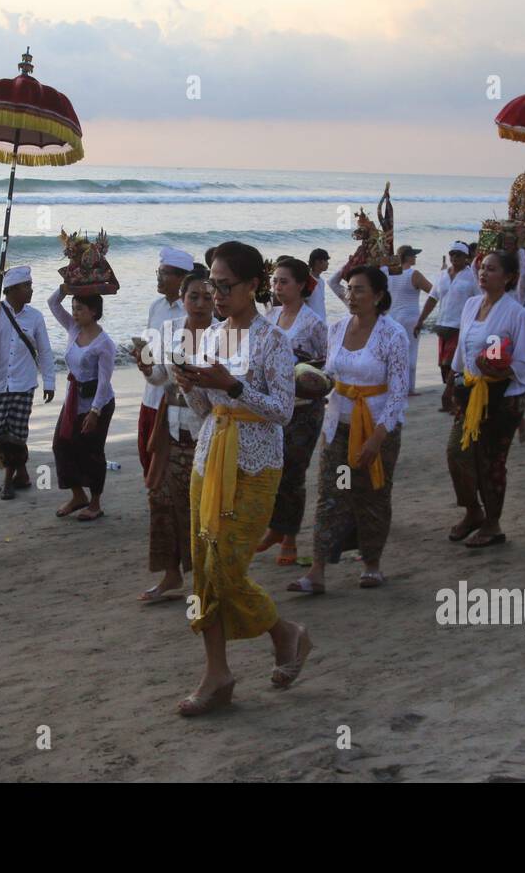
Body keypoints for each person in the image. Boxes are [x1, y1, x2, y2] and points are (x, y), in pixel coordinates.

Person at [172, 240, 311, 716]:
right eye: (212, 284)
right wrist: (189, 385)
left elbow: (283, 412)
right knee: (203, 568)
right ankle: (217, 673)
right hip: (210, 457)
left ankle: (286, 633)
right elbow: (206, 411)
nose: (217, 294)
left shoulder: (274, 340)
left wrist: (232, 385)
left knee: (225, 571)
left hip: (255, 464)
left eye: (225, 285)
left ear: (254, 285)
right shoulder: (212, 336)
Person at [292, 265, 409, 592]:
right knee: (332, 492)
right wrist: (309, 382)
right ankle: (317, 571)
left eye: (359, 289)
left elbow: (399, 391)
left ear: (379, 296)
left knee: (372, 494)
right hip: (337, 425)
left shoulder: (392, 334)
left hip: (376, 427)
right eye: (348, 289)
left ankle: (371, 564)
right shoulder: (337, 328)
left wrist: (377, 437)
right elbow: (331, 375)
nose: (350, 295)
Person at [445, 252, 525, 548]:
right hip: (470, 393)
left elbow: (524, 360)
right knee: (457, 453)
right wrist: (452, 381)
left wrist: (499, 369)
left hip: (503, 397)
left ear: (508, 277)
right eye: (481, 268)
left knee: (490, 461)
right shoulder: (472, 305)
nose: (483, 273)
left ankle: (493, 524)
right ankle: (473, 511)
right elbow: (462, 348)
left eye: (492, 269)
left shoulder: (516, 313)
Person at [140, 272, 215, 602]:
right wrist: (145, 369)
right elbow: (160, 378)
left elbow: (229, 387)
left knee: (203, 507)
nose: (199, 303)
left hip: (207, 429)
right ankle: (172, 575)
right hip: (171, 426)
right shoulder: (170, 330)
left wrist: (196, 384)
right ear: (182, 299)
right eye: (193, 296)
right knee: (162, 501)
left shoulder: (222, 335)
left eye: (207, 297)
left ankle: (205, 576)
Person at [255, 257, 329, 566]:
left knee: (294, 473)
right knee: (273, 470)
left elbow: (329, 364)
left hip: (304, 409)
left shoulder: (313, 322)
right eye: (274, 282)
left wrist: (305, 374)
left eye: (284, 281)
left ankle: (289, 538)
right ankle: (276, 527)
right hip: (274, 407)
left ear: (301, 285)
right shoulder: (270, 315)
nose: (277, 287)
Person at [0, 265, 55, 501]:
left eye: (30, 285)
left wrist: (49, 381)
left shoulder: (35, 317)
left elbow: (45, 351)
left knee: (16, 435)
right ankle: (21, 472)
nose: (31, 290)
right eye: (26, 286)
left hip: (24, 384)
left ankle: (7, 481)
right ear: (11, 290)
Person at [47, 286, 116, 522]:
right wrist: (65, 288)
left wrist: (95, 412)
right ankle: (78, 495)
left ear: (94, 311)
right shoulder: (73, 328)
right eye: (73, 308)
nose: (75, 313)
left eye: (80, 309)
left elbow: (105, 382)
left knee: (92, 452)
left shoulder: (104, 343)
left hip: (98, 402)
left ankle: (95, 503)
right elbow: (53, 304)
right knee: (61, 444)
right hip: (73, 398)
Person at [136, 248, 192, 478]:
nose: (159, 278)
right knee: (145, 454)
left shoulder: (192, 312)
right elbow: (152, 349)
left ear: (181, 279)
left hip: (174, 399)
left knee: (167, 462)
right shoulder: (156, 306)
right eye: (158, 272)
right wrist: (143, 357)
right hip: (150, 393)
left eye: (164, 273)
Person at [413, 241, 480, 413]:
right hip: (443, 325)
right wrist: (420, 320)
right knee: (443, 366)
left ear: (466, 257)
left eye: (458, 254)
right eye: (452, 254)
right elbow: (432, 298)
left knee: (452, 365)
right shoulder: (442, 275)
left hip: (461, 326)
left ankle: (451, 399)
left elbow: (480, 301)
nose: (454, 257)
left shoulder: (472, 277)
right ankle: (454, 396)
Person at [383, 245, 433, 396]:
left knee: (394, 353)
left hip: (391, 316)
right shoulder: (414, 274)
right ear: (408, 257)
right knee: (411, 352)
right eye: (414, 255)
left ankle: (393, 386)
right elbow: (433, 291)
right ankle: (409, 388)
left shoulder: (388, 272)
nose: (415, 258)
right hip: (410, 317)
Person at [305, 248, 331, 321]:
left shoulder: (321, 281)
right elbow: (302, 302)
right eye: (326, 260)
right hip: (310, 322)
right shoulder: (308, 280)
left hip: (321, 321)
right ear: (318, 261)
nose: (328, 263)